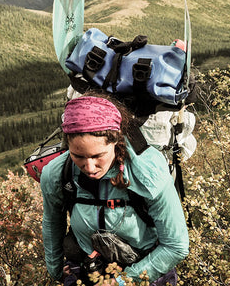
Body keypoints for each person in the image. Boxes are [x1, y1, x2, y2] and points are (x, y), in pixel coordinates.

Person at [41, 94, 188, 285]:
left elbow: (176, 246)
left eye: (98, 155)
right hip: (86, 268)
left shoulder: (149, 173)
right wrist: (55, 269)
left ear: (116, 141)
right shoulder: (57, 173)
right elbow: (53, 222)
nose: (89, 167)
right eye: (78, 156)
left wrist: (123, 281)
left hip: (145, 268)